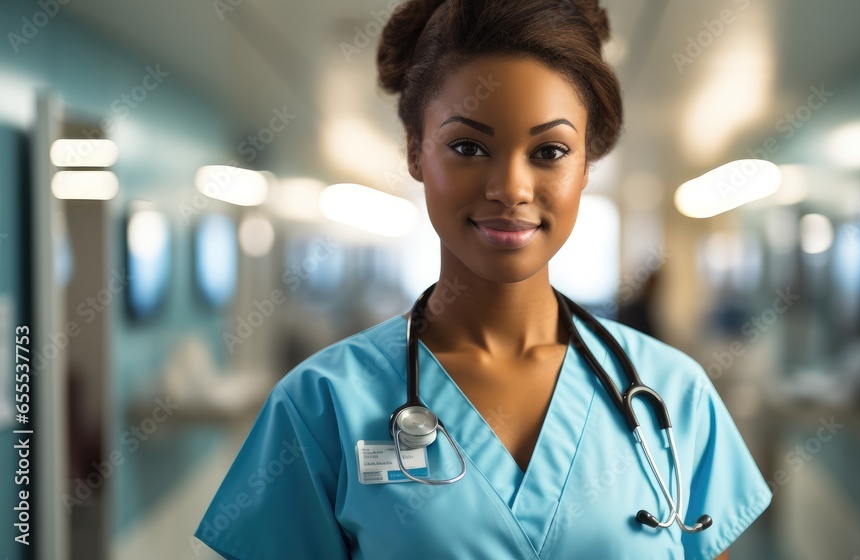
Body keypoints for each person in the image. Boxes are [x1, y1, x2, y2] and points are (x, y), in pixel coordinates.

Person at [193, 1, 771, 558]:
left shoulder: (676, 393)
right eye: (468, 146)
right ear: (417, 152)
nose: (511, 189)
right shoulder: (322, 404)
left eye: (549, 151)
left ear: (587, 166)